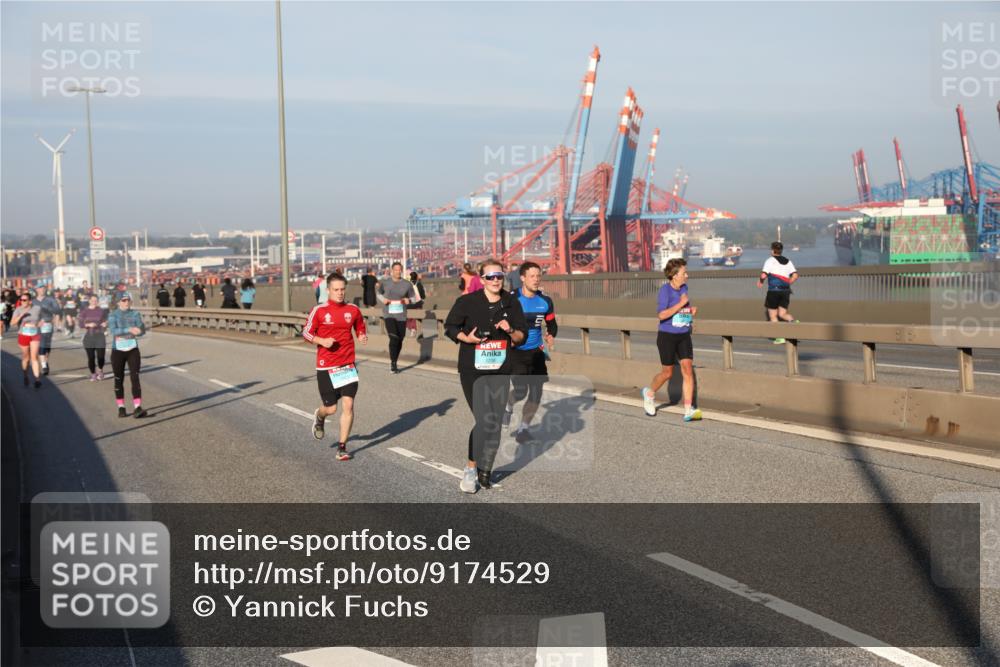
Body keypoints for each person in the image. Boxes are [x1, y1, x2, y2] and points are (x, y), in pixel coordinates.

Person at [444, 259, 528, 493]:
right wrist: (467, 338)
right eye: (490, 277)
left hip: (500, 369)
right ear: (481, 280)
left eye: (499, 276)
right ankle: (470, 469)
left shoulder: (511, 302)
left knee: (495, 421)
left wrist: (510, 329)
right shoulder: (467, 302)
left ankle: (486, 470)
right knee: (484, 420)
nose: (495, 280)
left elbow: (521, 336)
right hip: (473, 370)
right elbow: (450, 328)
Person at [303, 272, 367, 461]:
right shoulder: (319, 311)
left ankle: (342, 447)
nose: (340, 293)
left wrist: (361, 335)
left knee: (348, 404)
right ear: (328, 290)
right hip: (326, 366)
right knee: (331, 409)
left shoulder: (353, 309)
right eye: (336, 290)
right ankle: (320, 416)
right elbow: (306, 333)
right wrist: (322, 341)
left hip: (347, 364)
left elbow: (360, 326)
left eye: (342, 289)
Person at [504, 261, 557, 443]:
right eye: (532, 276)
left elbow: (552, 324)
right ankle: (508, 404)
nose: (536, 279)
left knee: (536, 393)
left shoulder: (545, 301)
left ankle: (523, 430)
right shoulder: (511, 299)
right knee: (520, 391)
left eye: (538, 276)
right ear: (522, 278)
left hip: (536, 352)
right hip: (516, 351)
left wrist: (551, 335)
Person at [642, 258, 701, 422]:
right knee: (667, 373)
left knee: (687, 369)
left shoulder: (684, 287)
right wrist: (681, 305)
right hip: (667, 336)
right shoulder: (664, 291)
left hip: (683, 334)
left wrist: (689, 311)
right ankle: (649, 393)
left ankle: (688, 410)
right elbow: (661, 315)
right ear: (675, 275)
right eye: (684, 273)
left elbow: (683, 307)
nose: (687, 276)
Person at [107, 293, 146, 418]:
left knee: (135, 377)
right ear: (119, 302)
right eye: (123, 300)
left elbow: (142, 329)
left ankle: (137, 407)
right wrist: (128, 330)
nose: (126, 302)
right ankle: (121, 407)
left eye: (128, 300)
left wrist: (140, 331)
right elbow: (113, 330)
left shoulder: (135, 314)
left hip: (132, 349)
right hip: (118, 350)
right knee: (119, 378)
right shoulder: (113, 315)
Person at [377, 262, 418, 373]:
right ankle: (393, 363)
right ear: (392, 271)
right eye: (396, 270)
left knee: (400, 338)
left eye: (400, 270)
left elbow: (414, 298)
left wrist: (409, 300)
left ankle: (394, 359)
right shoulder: (385, 283)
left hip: (401, 315)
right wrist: (383, 300)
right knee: (394, 337)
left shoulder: (407, 284)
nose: (398, 272)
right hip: (389, 314)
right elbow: (378, 293)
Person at [758, 241, 799, 344]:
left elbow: (763, 275)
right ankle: (794, 323)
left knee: (773, 316)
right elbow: (795, 276)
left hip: (774, 291)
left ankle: (780, 337)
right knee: (783, 314)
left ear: (772, 250)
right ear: (781, 250)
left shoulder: (770, 261)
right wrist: (788, 283)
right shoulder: (788, 261)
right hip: (785, 291)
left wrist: (761, 281)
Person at [11, 292, 43, 388]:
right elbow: (12, 323)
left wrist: (39, 324)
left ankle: (37, 380)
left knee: (34, 357)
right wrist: (21, 316)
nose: (22, 301)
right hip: (23, 335)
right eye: (21, 300)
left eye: (24, 300)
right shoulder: (18, 309)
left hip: (35, 334)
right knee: (26, 358)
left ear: (30, 301)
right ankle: (25, 375)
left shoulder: (37, 308)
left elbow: (43, 318)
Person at [78, 294, 108, 381]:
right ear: (89, 301)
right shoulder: (84, 311)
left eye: (96, 300)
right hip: (89, 337)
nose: (94, 302)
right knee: (91, 357)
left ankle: (100, 370)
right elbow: (80, 324)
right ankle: (93, 374)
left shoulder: (101, 311)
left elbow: (106, 321)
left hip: (100, 336)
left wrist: (105, 324)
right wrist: (88, 324)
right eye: (92, 300)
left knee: (101, 357)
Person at [36, 286, 61, 376]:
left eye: (43, 288)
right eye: (40, 288)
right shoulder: (33, 301)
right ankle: (44, 366)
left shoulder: (51, 300)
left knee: (46, 346)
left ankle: (45, 362)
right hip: (36, 326)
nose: (42, 290)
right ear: (37, 290)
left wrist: (48, 311)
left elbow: (57, 311)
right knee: (41, 344)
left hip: (47, 324)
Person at [406, 271, 425, 337]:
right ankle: (418, 331)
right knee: (418, 317)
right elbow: (423, 296)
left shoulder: (408, 285)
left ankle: (413, 329)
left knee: (410, 317)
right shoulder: (419, 284)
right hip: (418, 304)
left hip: (410, 304)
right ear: (417, 277)